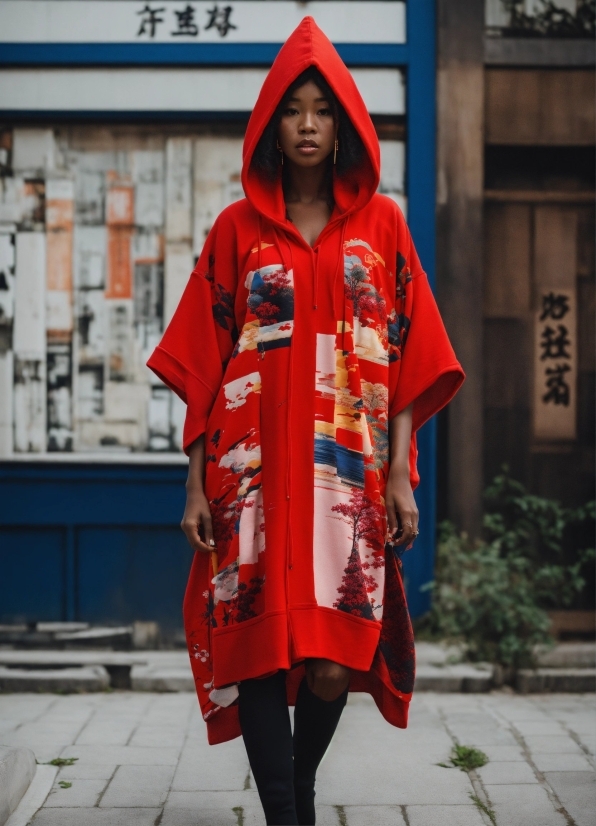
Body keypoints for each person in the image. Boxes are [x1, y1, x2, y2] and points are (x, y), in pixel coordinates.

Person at [148, 16, 464, 826]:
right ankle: (288, 813)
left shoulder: (383, 229)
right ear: (270, 128)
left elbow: (409, 355)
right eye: (294, 111)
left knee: (331, 662)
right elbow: (203, 362)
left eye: (325, 109)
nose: (310, 125)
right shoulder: (236, 233)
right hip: (249, 478)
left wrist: (399, 472)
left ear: (347, 122)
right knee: (256, 651)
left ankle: (299, 785)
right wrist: (193, 483)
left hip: (345, 481)